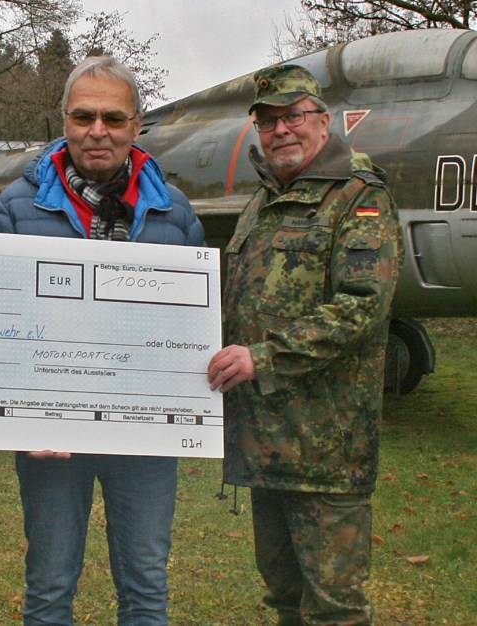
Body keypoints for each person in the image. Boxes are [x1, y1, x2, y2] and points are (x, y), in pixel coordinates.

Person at [0, 55, 205, 625]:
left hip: (146, 434)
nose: (97, 131)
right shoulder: (15, 207)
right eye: (83, 117)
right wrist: (22, 416)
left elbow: (196, 324)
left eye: (113, 117)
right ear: (64, 120)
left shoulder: (174, 214)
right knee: (51, 587)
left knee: (147, 587)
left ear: (136, 126)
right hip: (50, 435)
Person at [207, 64, 402, 625]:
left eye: (293, 117)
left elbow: (361, 307)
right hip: (266, 447)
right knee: (284, 601)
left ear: (323, 122)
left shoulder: (359, 200)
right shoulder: (262, 204)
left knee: (334, 609)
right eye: (267, 122)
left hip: (325, 454)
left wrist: (262, 358)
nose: (280, 131)